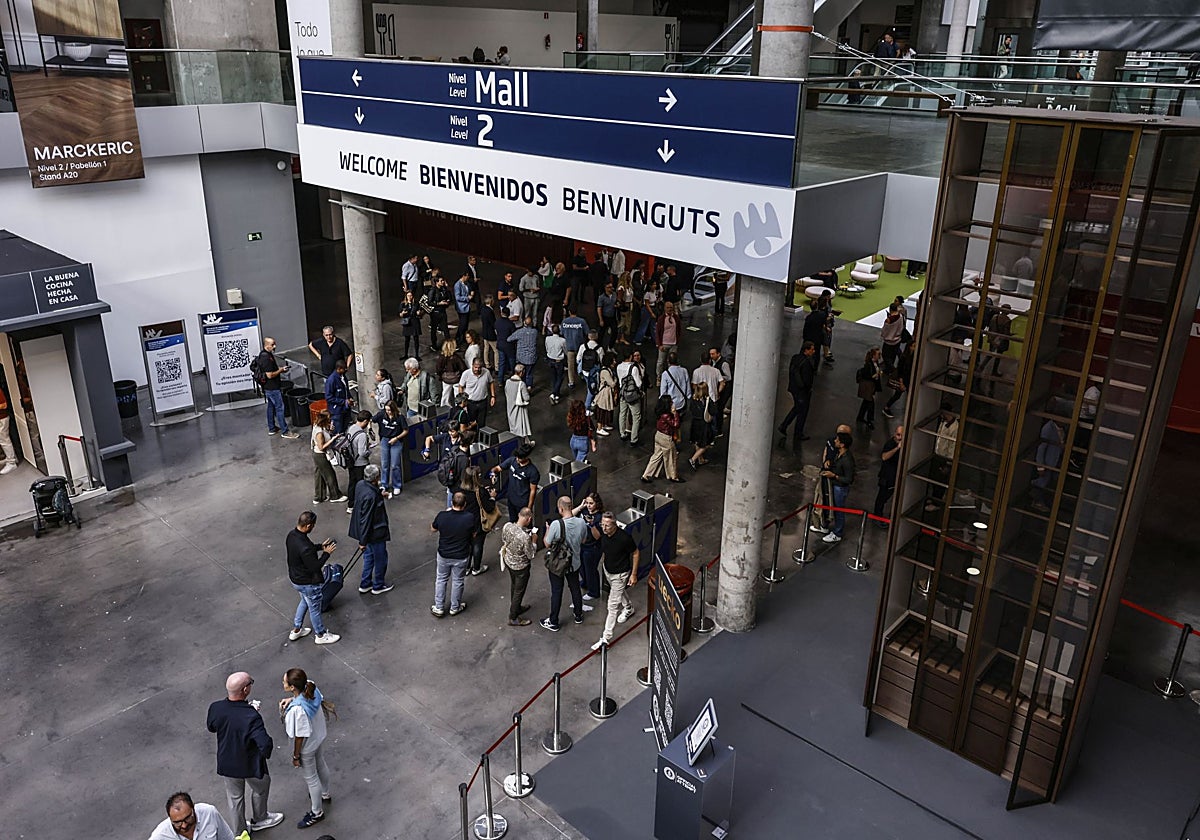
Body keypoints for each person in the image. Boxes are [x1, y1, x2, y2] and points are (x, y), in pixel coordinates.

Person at [206, 672, 283, 835]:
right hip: (250, 764)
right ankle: (260, 818)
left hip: (227, 763)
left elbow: (212, 727)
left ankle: (240, 832)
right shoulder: (251, 716)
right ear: (245, 689)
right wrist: (251, 713)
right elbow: (265, 744)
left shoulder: (216, 708)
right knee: (261, 787)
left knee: (235, 799)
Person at [279, 668, 335, 830]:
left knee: (311, 778)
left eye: (284, 682)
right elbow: (306, 699)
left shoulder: (297, 711)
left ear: (292, 687)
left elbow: (299, 736)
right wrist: (292, 699)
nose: (282, 683)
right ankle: (325, 793)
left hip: (307, 747)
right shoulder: (311, 686)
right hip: (319, 736)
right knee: (321, 763)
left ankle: (316, 812)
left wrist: (296, 756)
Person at [286, 510, 341, 645]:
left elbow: (305, 551)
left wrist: (319, 547)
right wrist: (326, 553)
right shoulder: (305, 546)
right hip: (308, 582)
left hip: (296, 579)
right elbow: (315, 566)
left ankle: (297, 629)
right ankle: (320, 634)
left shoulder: (292, 535)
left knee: (304, 601)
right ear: (309, 525)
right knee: (315, 609)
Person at [591, 512, 639, 649]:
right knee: (618, 592)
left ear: (615, 525)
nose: (604, 528)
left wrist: (633, 574)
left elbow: (635, 553)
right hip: (608, 570)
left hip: (620, 574)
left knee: (612, 606)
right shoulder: (605, 534)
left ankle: (606, 638)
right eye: (602, 525)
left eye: (607, 525)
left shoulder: (624, 538)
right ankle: (629, 608)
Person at [541, 495, 586, 632]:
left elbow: (547, 543)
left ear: (560, 509)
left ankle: (553, 621)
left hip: (558, 565)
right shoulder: (581, 522)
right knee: (575, 588)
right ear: (571, 507)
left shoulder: (556, 525)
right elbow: (583, 541)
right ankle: (578, 615)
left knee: (556, 591)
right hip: (575, 563)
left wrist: (548, 529)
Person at [431, 491, 478, 617]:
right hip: (461, 555)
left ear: (452, 502)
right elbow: (474, 534)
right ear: (465, 504)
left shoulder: (442, 516)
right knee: (458, 581)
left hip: (444, 554)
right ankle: (455, 607)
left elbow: (433, 528)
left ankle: (439, 607)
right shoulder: (469, 518)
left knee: (441, 579)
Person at [349, 463, 392, 594]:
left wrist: (380, 493)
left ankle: (365, 583)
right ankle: (378, 585)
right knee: (380, 558)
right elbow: (366, 519)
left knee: (368, 557)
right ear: (375, 478)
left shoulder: (361, 485)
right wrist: (363, 541)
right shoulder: (371, 497)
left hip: (367, 534)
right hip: (375, 533)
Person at [500, 507, 537, 626]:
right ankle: (513, 616)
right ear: (529, 519)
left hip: (509, 561)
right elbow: (531, 554)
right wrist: (534, 541)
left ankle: (516, 607)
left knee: (514, 586)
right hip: (521, 567)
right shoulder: (525, 537)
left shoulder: (507, 526)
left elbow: (504, 540)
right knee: (519, 591)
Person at [255, 338, 298, 439]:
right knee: (279, 408)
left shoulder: (264, 354)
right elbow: (270, 375)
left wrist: (279, 370)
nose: (275, 346)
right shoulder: (266, 358)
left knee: (271, 407)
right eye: (272, 345)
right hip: (273, 387)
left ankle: (272, 428)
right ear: (267, 345)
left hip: (268, 387)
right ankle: (285, 431)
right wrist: (281, 370)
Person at [147, 791, 236, 840]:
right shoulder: (160, 835)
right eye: (177, 822)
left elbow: (227, 837)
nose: (184, 825)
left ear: (193, 809)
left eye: (188, 818)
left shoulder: (209, 813)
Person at [819, 431, 855, 543]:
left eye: (837, 440)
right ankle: (828, 526)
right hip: (835, 486)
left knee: (839, 511)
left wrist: (834, 475)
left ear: (842, 444)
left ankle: (837, 533)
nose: (835, 441)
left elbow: (849, 479)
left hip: (840, 488)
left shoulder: (847, 460)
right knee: (832, 507)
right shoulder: (839, 454)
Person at [779, 341, 817, 439]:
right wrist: (808, 389)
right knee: (802, 411)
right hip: (802, 391)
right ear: (806, 350)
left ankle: (784, 425)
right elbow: (807, 380)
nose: (813, 351)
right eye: (812, 349)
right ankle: (797, 432)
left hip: (794, 388)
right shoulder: (807, 363)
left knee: (797, 408)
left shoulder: (795, 358)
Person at [641, 395, 683, 483]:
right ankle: (673, 476)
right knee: (672, 456)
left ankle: (646, 475)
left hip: (658, 435)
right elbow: (676, 425)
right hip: (666, 438)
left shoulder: (660, 413)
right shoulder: (667, 415)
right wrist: (675, 414)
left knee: (656, 456)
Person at [494, 442, 539, 522]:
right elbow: (498, 468)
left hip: (522, 503)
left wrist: (529, 508)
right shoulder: (512, 461)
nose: (517, 460)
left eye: (520, 458)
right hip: (511, 499)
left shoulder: (532, 471)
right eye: (517, 457)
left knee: (524, 525)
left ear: (526, 457)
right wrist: (493, 473)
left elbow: (533, 491)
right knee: (512, 521)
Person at [572, 491, 605, 602]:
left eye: (591, 503)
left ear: (597, 504)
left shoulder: (600, 517)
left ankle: (594, 591)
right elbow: (569, 515)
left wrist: (591, 525)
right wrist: (581, 507)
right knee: (581, 567)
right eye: (587, 503)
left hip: (592, 548)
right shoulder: (584, 510)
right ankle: (585, 582)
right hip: (581, 545)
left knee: (590, 569)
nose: (589, 506)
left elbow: (597, 536)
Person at [925, 404, 958, 511]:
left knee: (940, 480)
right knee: (934, 478)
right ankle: (934, 498)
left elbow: (952, 447)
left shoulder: (954, 428)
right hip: (938, 454)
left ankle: (937, 502)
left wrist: (948, 463)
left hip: (944, 458)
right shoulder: (944, 422)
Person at [309, 410, 346, 506]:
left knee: (320, 475)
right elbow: (321, 446)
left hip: (317, 453)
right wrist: (333, 439)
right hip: (320, 454)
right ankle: (335, 496)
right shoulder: (319, 432)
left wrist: (329, 430)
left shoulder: (318, 426)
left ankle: (319, 496)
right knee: (330, 474)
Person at [374, 400, 407, 498]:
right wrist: (370, 429)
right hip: (385, 440)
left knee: (395, 464)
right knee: (384, 464)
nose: (387, 412)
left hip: (396, 441)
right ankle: (384, 484)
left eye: (389, 410)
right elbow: (372, 419)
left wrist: (396, 438)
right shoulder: (381, 415)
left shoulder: (400, 417)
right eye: (386, 410)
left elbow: (405, 430)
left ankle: (397, 485)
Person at [343, 410, 372, 514]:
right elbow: (362, 452)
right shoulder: (362, 435)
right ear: (365, 421)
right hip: (360, 463)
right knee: (362, 485)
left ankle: (351, 505)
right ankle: (362, 505)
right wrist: (369, 450)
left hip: (351, 461)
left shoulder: (351, 428)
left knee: (352, 483)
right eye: (367, 422)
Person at [874, 425, 904, 524]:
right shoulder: (890, 444)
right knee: (882, 498)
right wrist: (897, 448)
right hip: (887, 477)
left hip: (896, 476)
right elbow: (884, 457)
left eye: (902, 435)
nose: (899, 437)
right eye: (898, 434)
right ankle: (877, 517)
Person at [616, 347, 644, 446]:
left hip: (623, 393)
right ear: (631, 357)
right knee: (636, 416)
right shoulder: (634, 368)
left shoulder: (618, 366)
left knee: (622, 413)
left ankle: (622, 433)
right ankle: (634, 438)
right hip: (632, 395)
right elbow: (639, 383)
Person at [659, 351, 690, 437]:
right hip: (682, 403)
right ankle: (678, 437)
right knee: (678, 423)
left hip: (671, 404)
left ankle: (673, 440)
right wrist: (688, 396)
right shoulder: (684, 371)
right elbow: (688, 387)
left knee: (670, 425)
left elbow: (663, 392)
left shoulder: (665, 374)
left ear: (668, 361)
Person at [687, 381, 716, 470]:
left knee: (697, 442)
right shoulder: (707, 401)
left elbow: (691, 410)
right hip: (704, 424)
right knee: (705, 444)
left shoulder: (693, 399)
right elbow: (713, 411)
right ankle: (693, 459)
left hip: (695, 423)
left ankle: (701, 459)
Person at [560, 305, 589, 389]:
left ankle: (571, 382)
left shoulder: (564, 322)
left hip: (569, 347)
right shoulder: (582, 321)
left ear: (569, 312)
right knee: (581, 363)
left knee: (570, 366)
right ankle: (583, 376)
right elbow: (587, 332)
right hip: (580, 347)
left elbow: (561, 333)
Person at [882, 342, 913, 419]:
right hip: (904, 379)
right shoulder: (904, 357)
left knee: (904, 395)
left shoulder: (913, 357)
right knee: (897, 395)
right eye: (913, 346)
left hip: (909, 379)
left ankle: (887, 407)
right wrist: (901, 382)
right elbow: (900, 371)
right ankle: (886, 407)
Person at [424, 273, 453, 351]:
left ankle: (449, 346)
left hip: (442, 312)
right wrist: (438, 303)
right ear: (437, 282)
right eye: (441, 281)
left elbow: (449, 296)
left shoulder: (444, 289)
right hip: (435, 313)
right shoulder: (433, 290)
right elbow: (429, 302)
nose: (443, 282)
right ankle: (434, 345)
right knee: (434, 330)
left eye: (443, 280)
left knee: (445, 329)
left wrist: (447, 301)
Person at [505, 365, 534, 444]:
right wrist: (528, 391)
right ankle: (523, 444)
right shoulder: (521, 384)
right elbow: (526, 398)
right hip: (519, 408)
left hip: (510, 407)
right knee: (521, 425)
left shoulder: (508, 382)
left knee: (513, 425)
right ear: (521, 373)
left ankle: (526, 442)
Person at [323, 359, 353, 434]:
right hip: (337, 411)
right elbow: (328, 397)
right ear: (339, 369)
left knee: (345, 427)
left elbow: (346, 390)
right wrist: (344, 401)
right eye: (344, 369)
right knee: (338, 432)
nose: (346, 370)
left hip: (345, 409)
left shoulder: (343, 377)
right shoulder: (331, 380)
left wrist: (350, 398)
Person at [856, 347, 883, 429]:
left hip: (871, 386)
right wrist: (876, 375)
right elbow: (868, 375)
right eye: (878, 354)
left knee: (866, 402)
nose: (879, 356)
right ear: (874, 355)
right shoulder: (869, 365)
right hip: (869, 386)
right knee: (871, 403)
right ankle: (869, 420)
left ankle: (860, 417)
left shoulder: (875, 363)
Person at [654, 300, 681, 379]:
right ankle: (659, 377)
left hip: (673, 344)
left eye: (671, 307)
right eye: (668, 307)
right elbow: (658, 332)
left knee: (672, 362)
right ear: (665, 308)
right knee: (660, 362)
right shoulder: (661, 319)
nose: (669, 309)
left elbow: (679, 329)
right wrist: (659, 344)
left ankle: (671, 377)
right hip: (664, 344)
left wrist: (677, 341)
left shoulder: (676, 318)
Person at [593, 354, 618, 436]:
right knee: (602, 410)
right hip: (604, 393)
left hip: (607, 393)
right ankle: (599, 428)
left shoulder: (608, 369)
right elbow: (612, 383)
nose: (615, 362)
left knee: (605, 409)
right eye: (613, 360)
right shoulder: (605, 371)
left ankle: (604, 425)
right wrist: (616, 380)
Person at [566, 398, 595, 463]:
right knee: (578, 464)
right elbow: (592, 428)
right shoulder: (586, 419)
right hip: (583, 442)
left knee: (577, 461)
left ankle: (584, 463)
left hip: (573, 441)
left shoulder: (571, 418)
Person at [545, 324, 567, 404]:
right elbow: (565, 350)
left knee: (554, 377)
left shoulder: (547, 339)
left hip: (550, 359)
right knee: (560, 377)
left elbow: (546, 348)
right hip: (559, 361)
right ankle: (554, 393)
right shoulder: (562, 340)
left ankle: (556, 394)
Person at [880, 302, 906, 373]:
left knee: (885, 356)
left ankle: (892, 369)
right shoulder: (901, 316)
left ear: (890, 309)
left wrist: (883, 335)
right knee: (893, 355)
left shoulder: (889, 320)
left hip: (889, 341)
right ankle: (890, 369)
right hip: (897, 340)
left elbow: (884, 331)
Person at [399, 290, 424, 360]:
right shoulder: (403, 304)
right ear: (406, 296)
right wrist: (403, 313)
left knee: (416, 339)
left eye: (411, 295)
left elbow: (421, 311)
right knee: (407, 339)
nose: (409, 297)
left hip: (414, 321)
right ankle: (406, 354)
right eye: (408, 296)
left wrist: (419, 313)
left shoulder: (416, 303)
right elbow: (400, 314)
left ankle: (416, 355)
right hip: (407, 322)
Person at [495, 307, 517, 381]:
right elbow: (513, 336)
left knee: (501, 363)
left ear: (501, 313)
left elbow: (496, 332)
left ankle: (500, 380)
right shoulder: (510, 324)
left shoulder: (497, 322)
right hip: (509, 346)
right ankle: (514, 375)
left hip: (500, 344)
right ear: (509, 314)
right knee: (512, 362)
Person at [596, 282, 618, 348]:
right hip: (605, 316)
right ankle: (599, 346)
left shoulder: (614, 294)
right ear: (605, 288)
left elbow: (617, 302)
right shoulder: (601, 297)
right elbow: (599, 308)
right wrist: (601, 320)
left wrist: (617, 305)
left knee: (615, 331)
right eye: (609, 287)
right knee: (601, 333)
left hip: (613, 316)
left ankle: (610, 346)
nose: (611, 289)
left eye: (611, 287)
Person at [480, 296, 498, 372]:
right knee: (496, 350)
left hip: (485, 332)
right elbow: (493, 323)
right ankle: (497, 367)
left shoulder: (483, 310)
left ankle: (487, 364)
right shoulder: (490, 312)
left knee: (486, 349)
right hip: (491, 334)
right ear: (491, 302)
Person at [0, 381, 15, 475]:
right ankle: (10, 458)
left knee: (4, 440)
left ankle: (11, 462)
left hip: (2, 418)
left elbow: (4, 404)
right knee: (3, 440)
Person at [453, 271, 473, 342]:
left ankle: (464, 338)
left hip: (466, 307)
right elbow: (457, 297)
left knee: (466, 324)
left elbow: (468, 290)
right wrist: (467, 298)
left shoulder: (466, 283)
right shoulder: (457, 285)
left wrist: (471, 293)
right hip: (461, 307)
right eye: (467, 276)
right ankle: (458, 338)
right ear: (463, 276)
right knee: (463, 324)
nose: (468, 278)